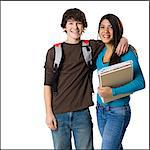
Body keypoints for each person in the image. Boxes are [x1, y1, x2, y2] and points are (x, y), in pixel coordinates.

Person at [44, 8, 128, 149]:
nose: (75, 27)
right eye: (70, 23)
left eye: (78, 23)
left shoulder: (91, 47)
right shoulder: (54, 52)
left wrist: (124, 39)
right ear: (64, 26)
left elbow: (111, 40)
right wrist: (48, 113)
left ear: (83, 26)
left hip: (82, 114)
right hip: (59, 114)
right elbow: (47, 85)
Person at [96, 14, 145, 150]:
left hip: (118, 111)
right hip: (100, 109)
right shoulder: (100, 50)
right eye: (102, 27)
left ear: (117, 29)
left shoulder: (125, 51)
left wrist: (113, 92)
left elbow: (140, 82)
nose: (105, 31)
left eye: (110, 27)